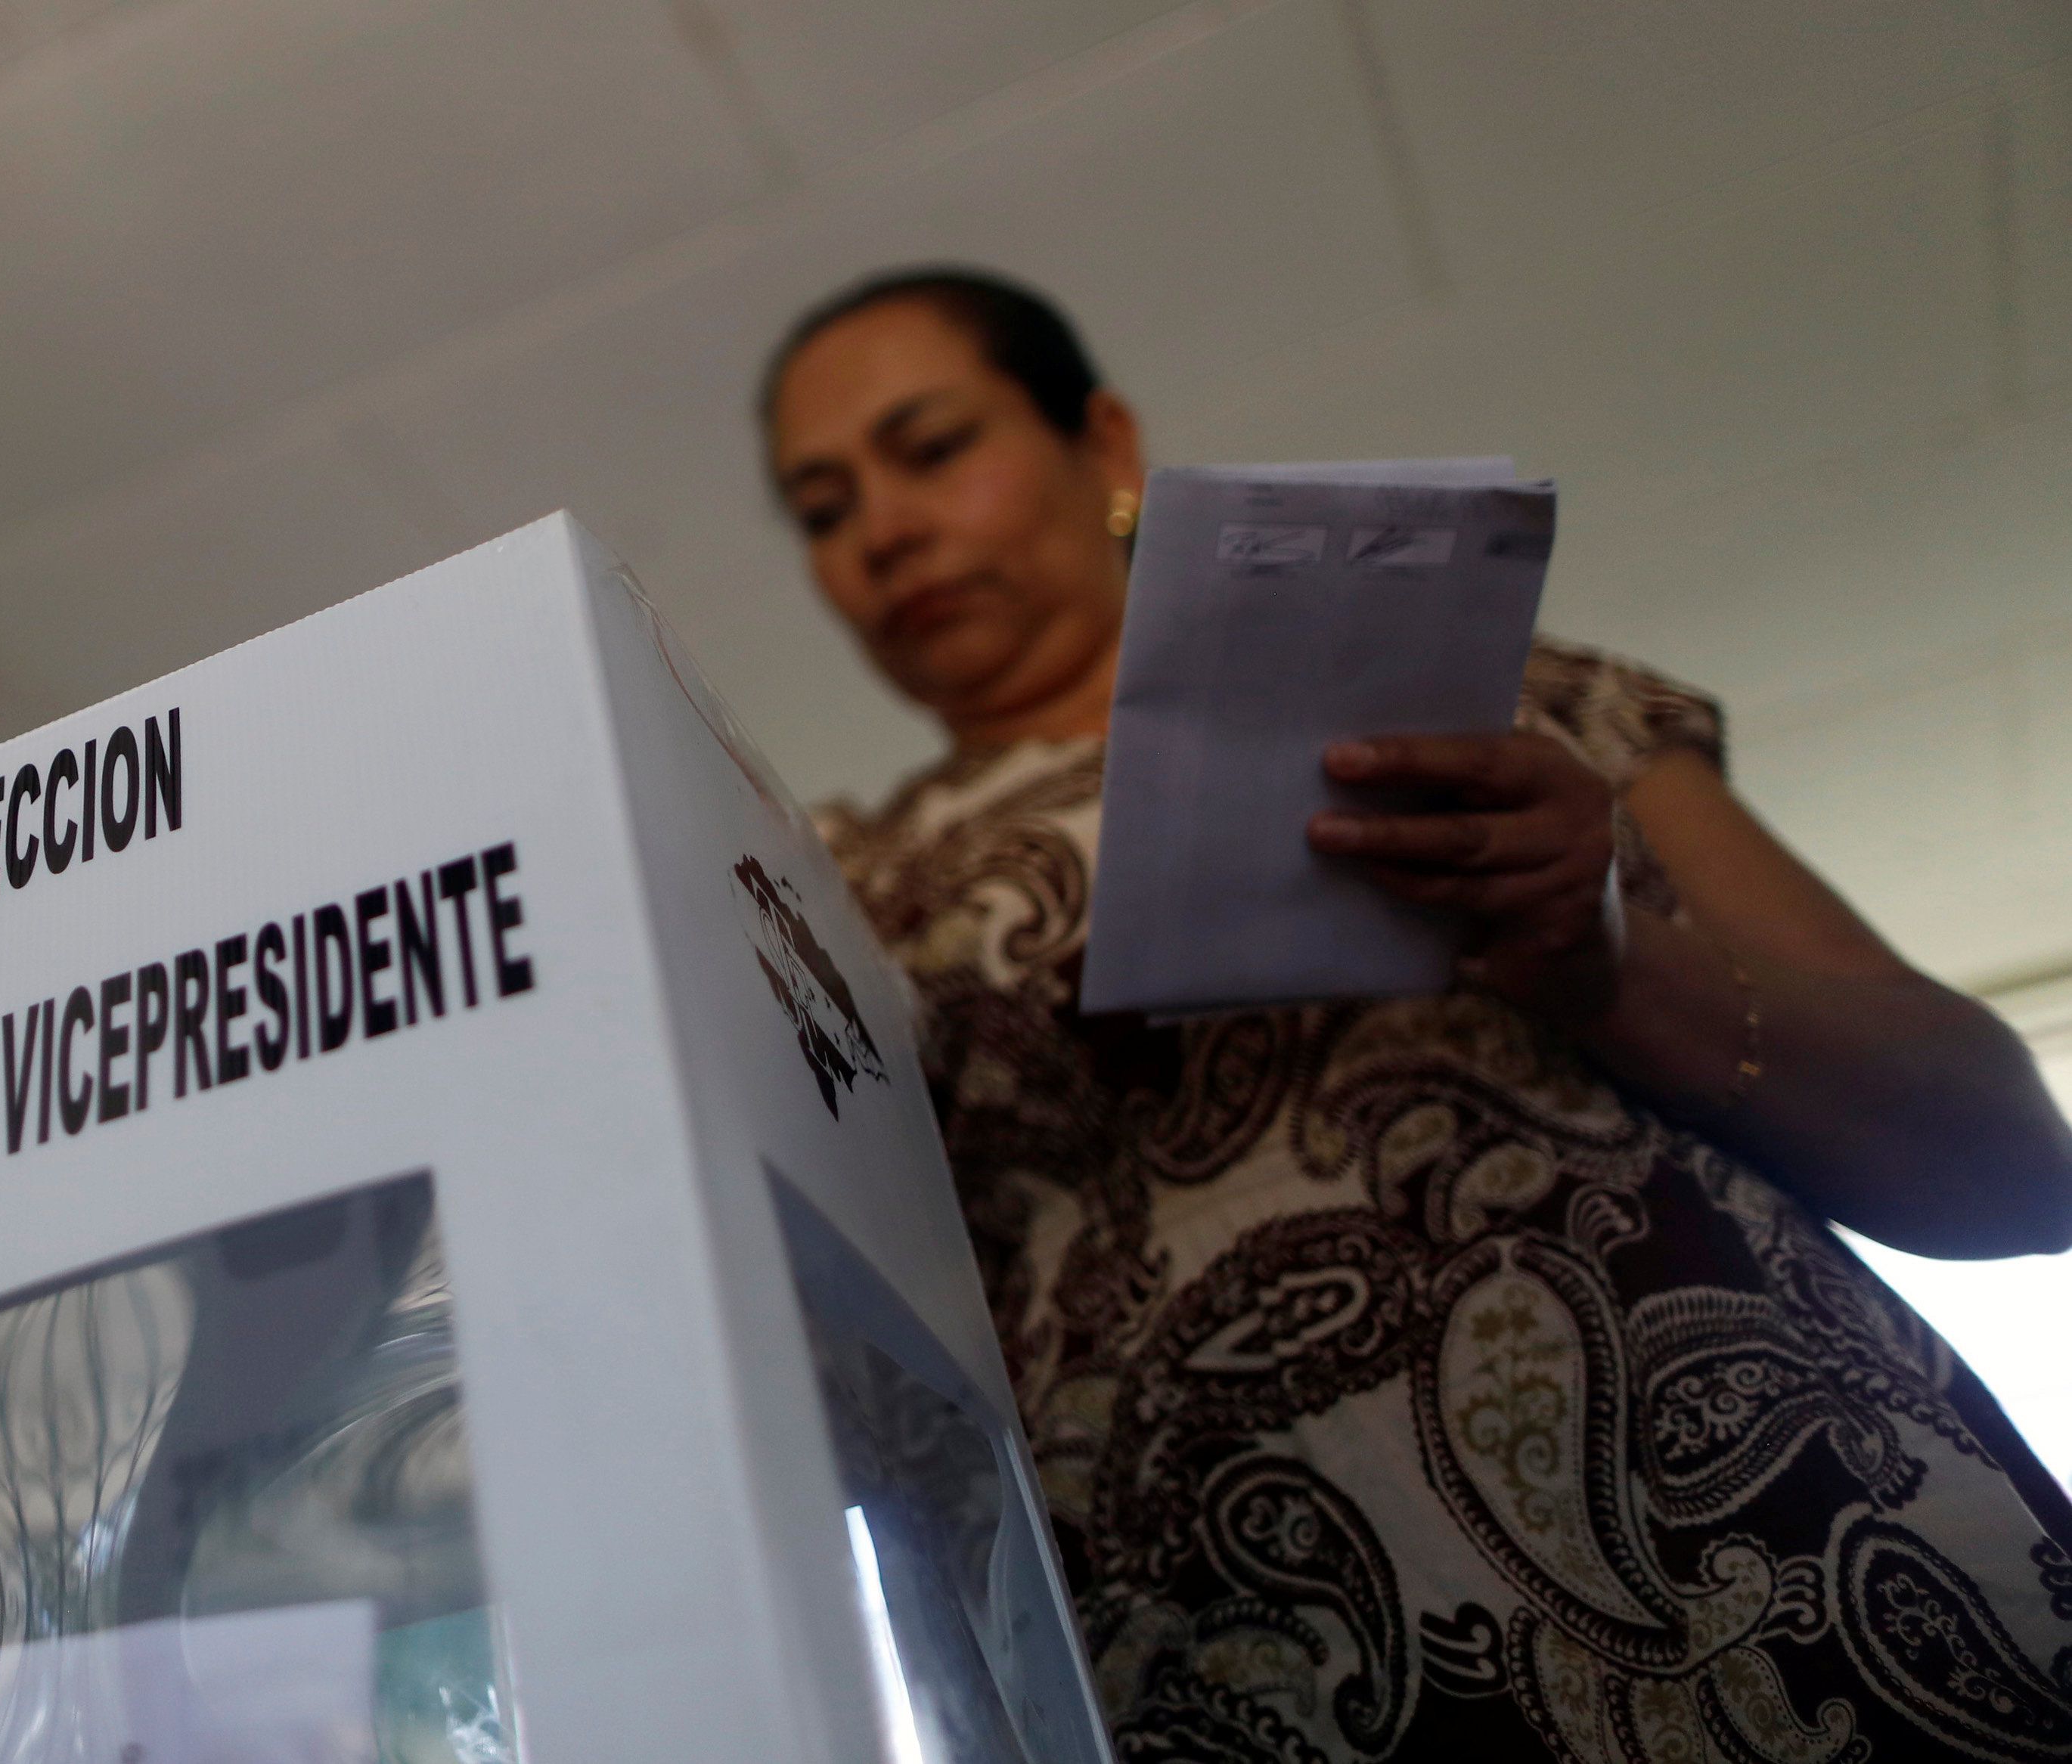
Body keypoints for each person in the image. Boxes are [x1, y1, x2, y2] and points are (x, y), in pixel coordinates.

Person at [761, 267, 2072, 1762]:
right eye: (820, 507)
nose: (881, 530)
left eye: (931, 448)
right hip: (1250, 1686)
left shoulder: (1508, 703)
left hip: (1803, 1581)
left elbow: (2017, 1170)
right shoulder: (830, 904)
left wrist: (1602, 961)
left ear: (1103, 444)